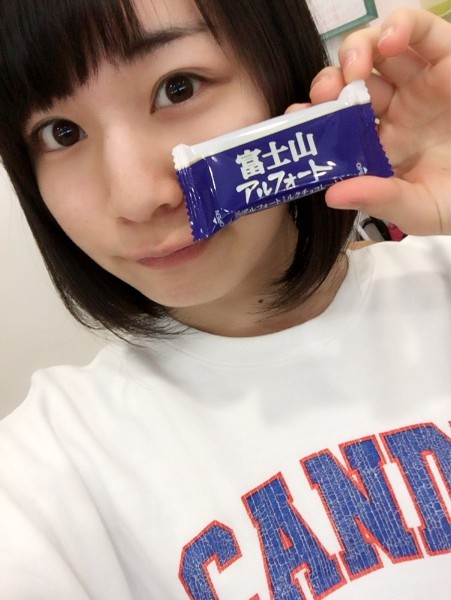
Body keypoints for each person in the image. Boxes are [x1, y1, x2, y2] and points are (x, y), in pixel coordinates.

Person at [0, 0, 450, 598]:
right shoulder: (52, 466)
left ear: (282, 72)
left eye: (178, 88)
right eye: (62, 133)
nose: (135, 197)